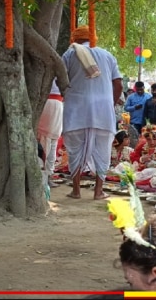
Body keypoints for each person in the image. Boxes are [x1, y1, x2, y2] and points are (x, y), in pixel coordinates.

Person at [61, 25, 123, 200]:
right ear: (93, 37)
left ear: (75, 38)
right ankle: (98, 192)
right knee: (102, 150)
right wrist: (109, 102)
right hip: (103, 111)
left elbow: (61, 79)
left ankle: (76, 191)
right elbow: (118, 84)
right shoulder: (107, 55)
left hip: (76, 109)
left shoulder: (69, 54)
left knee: (74, 149)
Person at [37, 79, 63, 188]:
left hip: (49, 102)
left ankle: (46, 176)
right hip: (54, 103)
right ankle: (46, 176)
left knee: (47, 141)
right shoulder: (64, 64)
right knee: (50, 142)